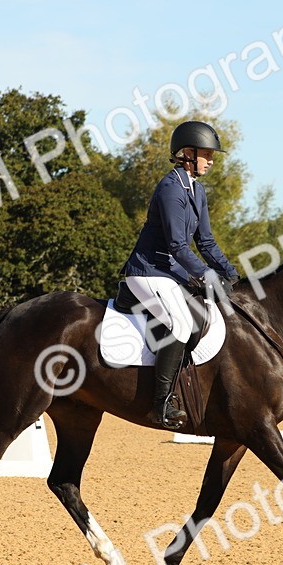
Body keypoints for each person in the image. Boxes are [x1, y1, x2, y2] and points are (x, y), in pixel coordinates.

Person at [120, 120, 239, 429]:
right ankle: (160, 403)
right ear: (187, 153)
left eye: (212, 155)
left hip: (169, 272)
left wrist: (232, 273)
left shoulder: (196, 190)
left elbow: (206, 241)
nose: (211, 160)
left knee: (204, 311)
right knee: (182, 322)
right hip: (147, 270)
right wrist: (207, 275)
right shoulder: (170, 189)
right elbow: (176, 245)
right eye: (207, 154)